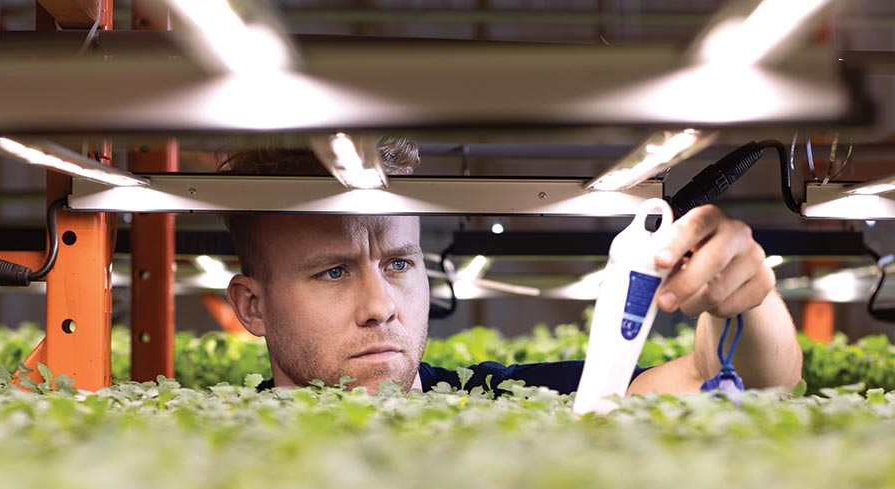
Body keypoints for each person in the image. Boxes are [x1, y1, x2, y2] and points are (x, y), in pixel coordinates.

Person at [219, 138, 803, 396]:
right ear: (253, 306)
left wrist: (744, 298)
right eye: (333, 272)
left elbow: (741, 381)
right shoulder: (210, 449)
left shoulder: (509, 401)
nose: (381, 308)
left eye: (399, 262)